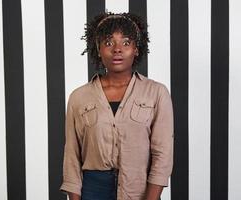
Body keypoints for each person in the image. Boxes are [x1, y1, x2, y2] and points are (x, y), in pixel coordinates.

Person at [60, 12, 174, 200]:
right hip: (93, 189)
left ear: (136, 49)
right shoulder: (79, 97)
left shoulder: (156, 93)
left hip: (139, 188)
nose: (117, 49)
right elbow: (72, 155)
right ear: (98, 49)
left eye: (126, 43)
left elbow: (163, 153)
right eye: (109, 43)